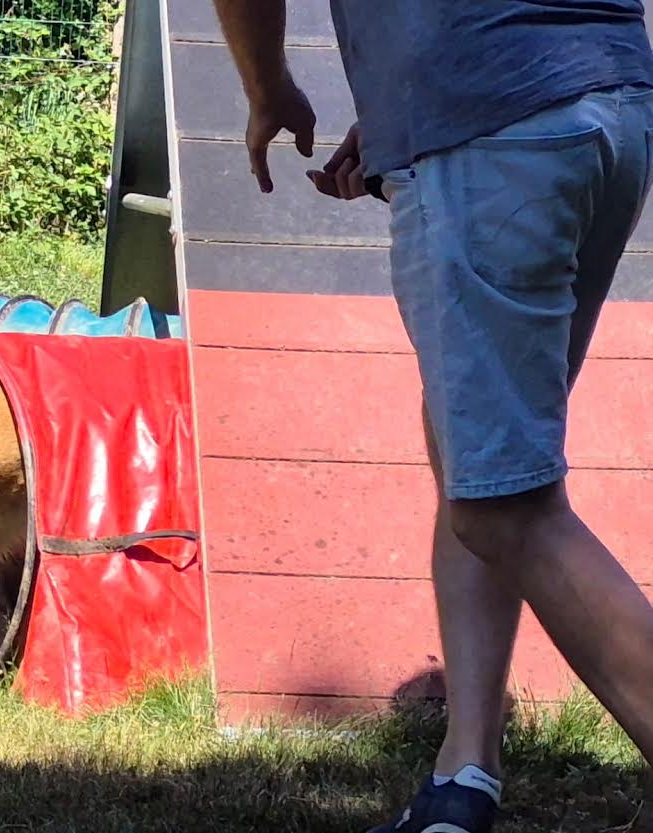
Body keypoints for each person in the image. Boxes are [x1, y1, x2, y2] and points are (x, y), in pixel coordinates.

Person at [210, 2, 653, 832]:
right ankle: (464, 774)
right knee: (476, 455)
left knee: (504, 505)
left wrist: (269, 89)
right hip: (609, 101)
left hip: (489, 118)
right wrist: (398, 114)